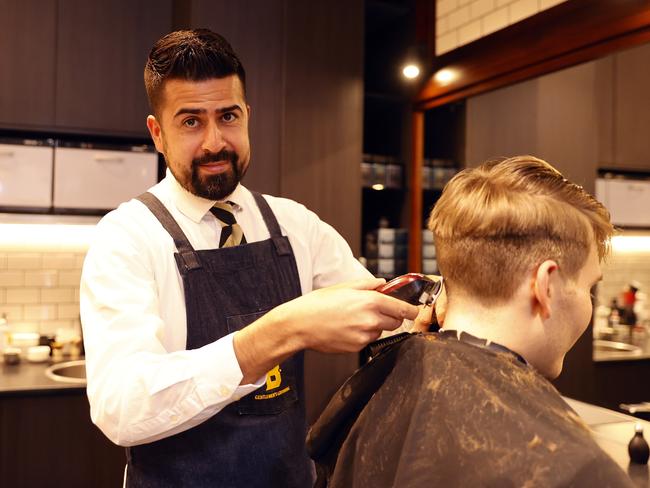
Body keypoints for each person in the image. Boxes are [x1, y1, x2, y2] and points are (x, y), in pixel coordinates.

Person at [79, 28, 419, 487]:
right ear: (157, 133)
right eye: (191, 121)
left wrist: (435, 305)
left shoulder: (294, 225)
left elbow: (385, 313)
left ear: (247, 116)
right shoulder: (127, 238)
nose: (215, 142)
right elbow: (120, 405)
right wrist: (277, 333)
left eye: (228, 116)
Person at [307, 156, 636, 487]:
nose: (587, 305)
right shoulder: (579, 471)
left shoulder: (375, 392)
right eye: (588, 287)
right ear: (545, 286)